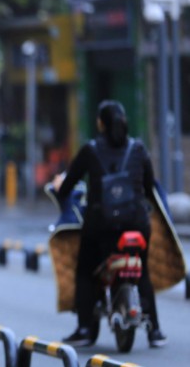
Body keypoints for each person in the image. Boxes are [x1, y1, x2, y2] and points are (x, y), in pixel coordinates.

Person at [53, 100, 166, 348]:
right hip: (137, 223)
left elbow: (68, 186)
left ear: (100, 123)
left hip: (101, 227)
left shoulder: (90, 150)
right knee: (143, 271)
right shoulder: (138, 149)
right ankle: (155, 330)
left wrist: (60, 190)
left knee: (84, 270)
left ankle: (84, 328)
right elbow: (149, 188)